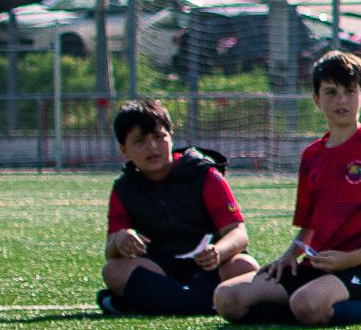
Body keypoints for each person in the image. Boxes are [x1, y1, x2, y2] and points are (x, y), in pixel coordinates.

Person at [216, 49, 361, 327]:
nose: (341, 100)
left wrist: (349, 259)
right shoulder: (312, 156)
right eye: (331, 92)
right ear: (317, 99)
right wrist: (289, 256)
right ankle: (303, 307)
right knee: (227, 298)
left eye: (349, 91)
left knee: (308, 304)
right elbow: (308, 228)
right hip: (321, 265)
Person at [98, 100, 254, 316]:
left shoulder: (204, 174)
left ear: (171, 136)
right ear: (124, 149)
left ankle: (147, 302)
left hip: (209, 266)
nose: (152, 147)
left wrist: (218, 251)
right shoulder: (124, 188)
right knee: (113, 270)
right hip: (159, 271)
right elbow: (111, 251)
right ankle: (207, 305)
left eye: (159, 137)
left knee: (244, 266)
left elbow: (238, 233)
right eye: (140, 141)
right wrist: (121, 239)